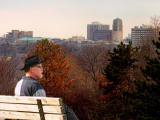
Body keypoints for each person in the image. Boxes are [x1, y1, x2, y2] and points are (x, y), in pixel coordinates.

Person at [15, 55, 79, 120]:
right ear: (31, 69)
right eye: (39, 67)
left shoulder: (19, 83)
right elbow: (44, 110)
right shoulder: (35, 86)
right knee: (65, 109)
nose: (42, 69)